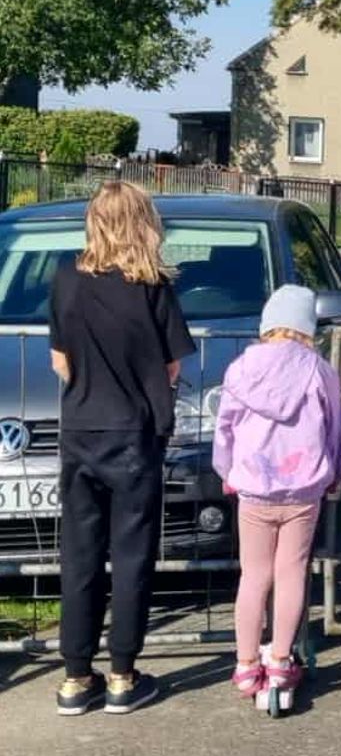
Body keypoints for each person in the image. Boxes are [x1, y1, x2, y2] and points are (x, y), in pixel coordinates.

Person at [48, 181, 196, 715]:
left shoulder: (66, 276)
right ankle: (122, 673)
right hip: (134, 432)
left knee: (80, 556)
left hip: (80, 429)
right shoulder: (153, 284)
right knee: (131, 555)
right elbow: (173, 364)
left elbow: (59, 361)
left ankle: (73, 676)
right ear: (143, 222)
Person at [213, 285, 341, 700]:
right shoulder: (319, 370)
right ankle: (282, 660)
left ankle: (247, 663)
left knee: (254, 576)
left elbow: (225, 426)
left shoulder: (241, 368)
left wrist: (227, 469)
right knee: (292, 573)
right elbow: (333, 427)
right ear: (308, 326)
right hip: (304, 488)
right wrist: (333, 470)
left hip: (253, 486)